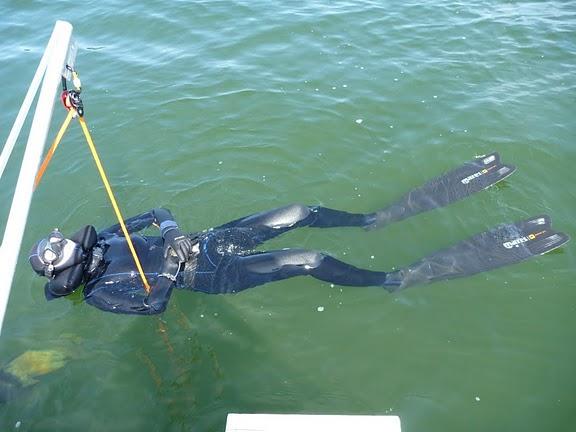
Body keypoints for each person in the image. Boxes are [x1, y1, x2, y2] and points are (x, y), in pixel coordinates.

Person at [29, 153, 568, 315]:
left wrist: (170, 231)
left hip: (208, 240)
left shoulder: (103, 239)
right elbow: (154, 307)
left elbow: (154, 211)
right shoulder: (99, 294)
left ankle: (372, 221)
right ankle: (392, 280)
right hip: (212, 275)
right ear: (68, 268)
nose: (85, 245)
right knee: (308, 259)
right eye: (76, 250)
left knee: (299, 210)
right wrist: (171, 269)